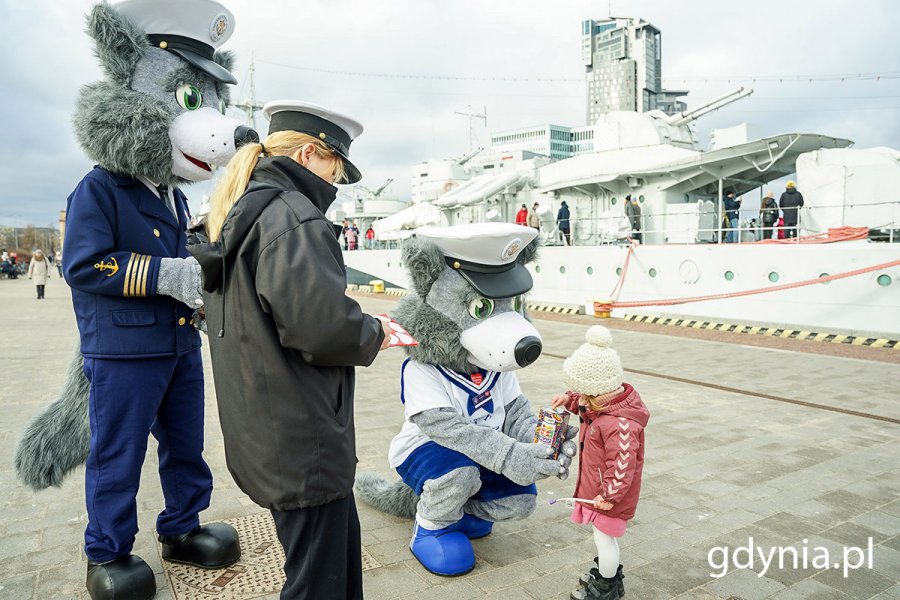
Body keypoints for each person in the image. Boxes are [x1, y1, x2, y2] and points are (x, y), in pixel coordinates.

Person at [192, 100, 391, 600]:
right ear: (309, 154)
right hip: (304, 439)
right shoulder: (293, 218)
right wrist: (375, 331)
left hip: (272, 430)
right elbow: (320, 329)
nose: (336, 185)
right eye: (334, 168)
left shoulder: (242, 211)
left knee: (333, 567)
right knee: (317, 583)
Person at [551, 326, 649, 600]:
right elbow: (582, 402)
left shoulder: (618, 424)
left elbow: (622, 464)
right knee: (605, 538)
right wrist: (568, 400)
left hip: (608, 495)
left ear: (596, 390)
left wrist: (609, 495)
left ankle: (606, 586)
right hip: (601, 490)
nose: (578, 397)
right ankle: (611, 579)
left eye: (580, 392)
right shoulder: (601, 404)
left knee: (604, 539)